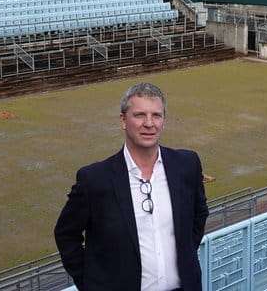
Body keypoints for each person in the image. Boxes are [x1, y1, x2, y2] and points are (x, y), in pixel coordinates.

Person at [54, 82, 209, 291]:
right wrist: (91, 284)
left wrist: (186, 253)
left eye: (156, 115)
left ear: (164, 120)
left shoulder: (187, 164)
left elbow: (199, 214)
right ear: (123, 120)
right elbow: (66, 235)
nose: (149, 123)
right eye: (139, 115)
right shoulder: (94, 180)